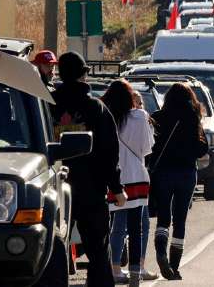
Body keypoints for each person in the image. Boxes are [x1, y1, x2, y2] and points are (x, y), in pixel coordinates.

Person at [52, 52, 126, 287]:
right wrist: (116, 187)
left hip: (51, 188)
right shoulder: (96, 108)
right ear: (84, 76)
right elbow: (109, 152)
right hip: (91, 190)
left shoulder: (46, 106)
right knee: (97, 251)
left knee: (53, 251)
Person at [148, 83, 208, 281]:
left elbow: (150, 148)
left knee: (163, 216)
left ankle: (160, 252)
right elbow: (202, 149)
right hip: (186, 173)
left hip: (163, 173)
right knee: (180, 219)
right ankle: (174, 266)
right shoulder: (193, 117)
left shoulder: (157, 117)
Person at [102, 81, 155, 286]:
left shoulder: (105, 115)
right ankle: (135, 272)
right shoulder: (140, 117)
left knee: (115, 225)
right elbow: (146, 148)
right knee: (137, 227)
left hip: (113, 177)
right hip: (137, 176)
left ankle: (115, 267)